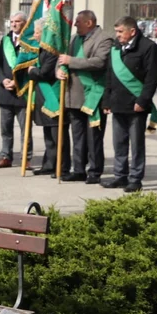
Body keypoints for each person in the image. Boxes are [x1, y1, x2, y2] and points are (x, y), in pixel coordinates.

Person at [102, 15, 157, 193]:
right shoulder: (116, 47)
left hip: (136, 105)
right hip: (117, 103)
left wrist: (143, 100)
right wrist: (107, 100)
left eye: (120, 32)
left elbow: (152, 78)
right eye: (116, 31)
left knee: (136, 144)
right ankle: (120, 176)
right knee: (119, 143)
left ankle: (135, 178)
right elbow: (109, 76)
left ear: (132, 31)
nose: (117, 35)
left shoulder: (148, 47)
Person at [56, 10, 111, 184]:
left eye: (78, 22)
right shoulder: (73, 39)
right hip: (73, 95)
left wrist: (71, 61)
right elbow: (63, 61)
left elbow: (99, 62)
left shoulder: (104, 39)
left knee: (93, 137)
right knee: (77, 135)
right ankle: (78, 169)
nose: (75, 24)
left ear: (89, 23)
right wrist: (60, 70)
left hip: (93, 95)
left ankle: (94, 171)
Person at [26, 18, 70, 176]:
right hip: (43, 98)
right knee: (49, 136)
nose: (35, 36)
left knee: (58, 136)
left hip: (54, 97)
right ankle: (49, 164)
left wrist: (31, 72)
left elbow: (45, 73)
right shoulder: (42, 50)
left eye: (38, 32)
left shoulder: (52, 52)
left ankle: (62, 166)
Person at [0, 11, 33, 168]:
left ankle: (26, 158)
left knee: (26, 128)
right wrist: (3, 80)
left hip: (22, 91)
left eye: (17, 21)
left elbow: (33, 65)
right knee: (6, 128)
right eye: (12, 21)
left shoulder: (30, 42)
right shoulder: (5, 40)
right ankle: (6, 156)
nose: (14, 24)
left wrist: (18, 82)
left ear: (24, 23)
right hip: (5, 92)